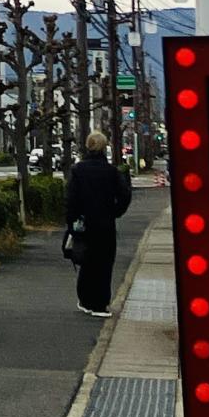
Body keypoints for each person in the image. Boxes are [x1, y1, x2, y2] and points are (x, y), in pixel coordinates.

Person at [65, 131, 132, 317]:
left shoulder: (78, 170)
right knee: (104, 263)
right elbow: (125, 195)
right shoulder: (111, 171)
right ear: (104, 147)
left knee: (87, 262)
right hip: (105, 223)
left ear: (88, 146)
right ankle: (100, 304)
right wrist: (116, 212)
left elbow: (71, 199)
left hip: (84, 224)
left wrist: (72, 222)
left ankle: (86, 300)